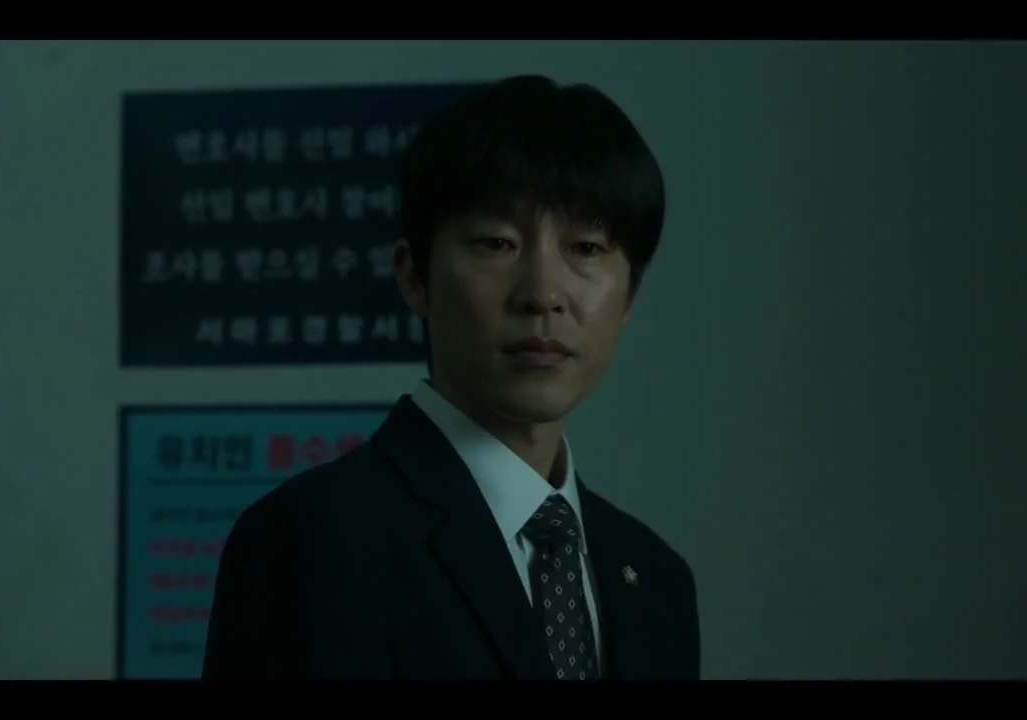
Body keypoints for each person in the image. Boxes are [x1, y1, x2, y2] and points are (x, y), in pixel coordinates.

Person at [202, 75, 699, 680]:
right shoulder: (313, 541)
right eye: (497, 242)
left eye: (587, 248)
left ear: (630, 296)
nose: (543, 293)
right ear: (415, 277)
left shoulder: (656, 580)